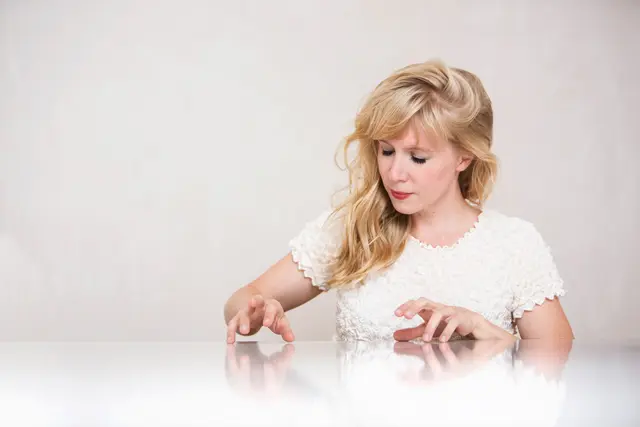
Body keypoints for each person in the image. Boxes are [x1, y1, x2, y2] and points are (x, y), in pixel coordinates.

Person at [224, 59, 574, 344]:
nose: (394, 173)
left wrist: (486, 332)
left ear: (464, 157)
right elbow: (242, 299)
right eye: (386, 151)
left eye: (417, 158)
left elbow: (563, 365)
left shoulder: (514, 244)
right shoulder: (353, 229)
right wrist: (253, 312)